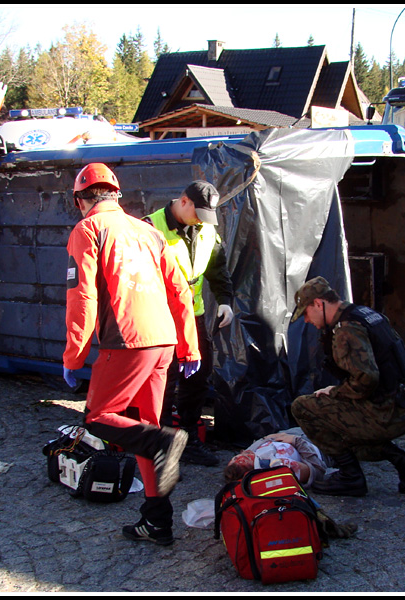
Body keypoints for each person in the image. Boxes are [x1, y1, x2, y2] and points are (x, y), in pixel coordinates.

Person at [62, 162, 202, 546]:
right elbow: (181, 292)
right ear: (116, 195)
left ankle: (166, 444)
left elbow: (82, 297)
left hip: (127, 341)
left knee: (100, 418)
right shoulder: (148, 231)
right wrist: (189, 348)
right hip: (164, 343)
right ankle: (158, 521)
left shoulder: (88, 229)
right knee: (145, 429)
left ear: (80, 199)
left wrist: (74, 356)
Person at [289, 277, 405, 497]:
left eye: (306, 313)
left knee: (305, 408)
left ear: (318, 304)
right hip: (403, 405)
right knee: (339, 419)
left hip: (385, 412)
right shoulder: (367, 315)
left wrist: (333, 392)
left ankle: (350, 477)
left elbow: (366, 379)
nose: (306, 320)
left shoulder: (346, 329)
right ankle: (403, 461)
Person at [144, 181, 234, 466]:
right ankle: (162, 447)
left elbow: (217, 268)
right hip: (160, 317)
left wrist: (225, 300)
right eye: (199, 213)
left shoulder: (206, 227)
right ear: (183, 201)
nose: (202, 221)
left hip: (193, 316)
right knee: (164, 381)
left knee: (198, 376)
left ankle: (188, 439)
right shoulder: (150, 228)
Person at [223, 428, 328, 488]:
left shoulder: (251, 454)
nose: (242, 454)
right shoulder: (279, 466)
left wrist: (273, 437)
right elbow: (317, 471)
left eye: (235, 458)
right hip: (317, 444)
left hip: (294, 432)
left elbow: (263, 440)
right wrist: (297, 441)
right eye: (240, 459)